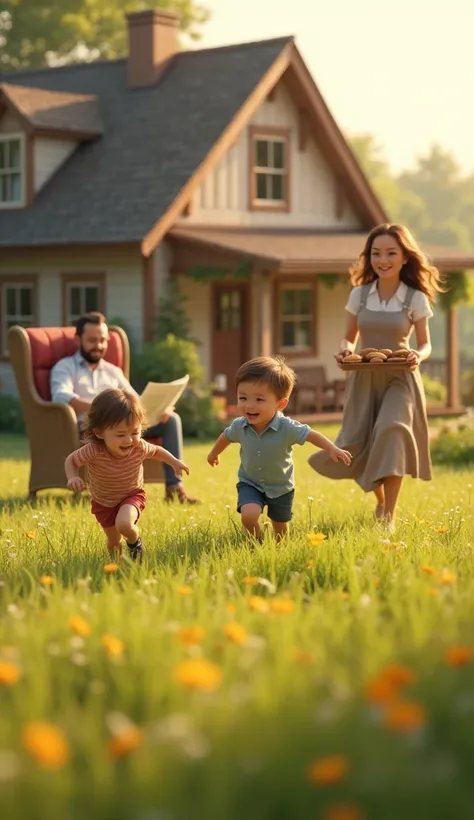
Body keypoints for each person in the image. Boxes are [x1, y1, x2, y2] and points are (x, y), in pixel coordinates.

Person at [308, 223, 442, 530]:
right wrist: (343, 351)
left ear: (405, 257)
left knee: (391, 431)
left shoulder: (415, 298)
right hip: (364, 379)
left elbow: (425, 343)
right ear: (369, 257)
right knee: (360, 443)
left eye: (391, 253)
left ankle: (389, 516)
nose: (383, 260)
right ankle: (381, 502)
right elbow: (348, 338)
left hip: (400, 378)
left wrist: (417, 356)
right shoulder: (360, 295)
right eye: (376, 253)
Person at [50, 311, 199, 504]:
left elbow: (134, 400)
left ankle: (174, 487)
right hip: (89, 428)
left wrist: (159, 408)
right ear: (78, 339)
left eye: (103, 340)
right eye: (92, 340)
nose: (99, 345)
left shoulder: (113, 371)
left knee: (171, 420)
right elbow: (60, 396)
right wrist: (103, 411)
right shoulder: (65, 367)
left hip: (125, 427)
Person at [207, 356, 352, 541]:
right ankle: (256, 542)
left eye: (259, 399)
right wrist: (214, 453)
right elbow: (225, 436)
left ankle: (280, 548)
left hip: (281, 486)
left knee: (280, 525)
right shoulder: (239, 426)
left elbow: (311, 435)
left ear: (280, 404)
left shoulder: (287, 427)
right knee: (249, 515)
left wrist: (332, 449)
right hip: (250, 482)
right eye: (243, 397)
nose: (249, 405)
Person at [65, 388, 189, 560]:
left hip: (131, 495)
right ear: (99, 432)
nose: (129, 440)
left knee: (124, 524)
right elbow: (71, 461)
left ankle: (135, 541)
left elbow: (156, 451)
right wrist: (73, 477)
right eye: (121, 434)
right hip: (103, 502)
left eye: (135, 433)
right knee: (113, 542)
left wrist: (174, 462)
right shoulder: (94, 450)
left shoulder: (139, 447)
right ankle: (116, 566)